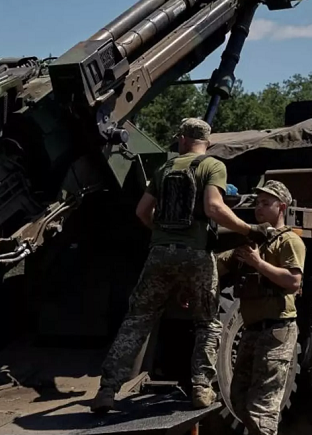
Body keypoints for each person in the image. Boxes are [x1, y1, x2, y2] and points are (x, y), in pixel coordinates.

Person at [90, 118, 271, 413]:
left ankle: (107, 390)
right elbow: (214, 207)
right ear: (207, 142)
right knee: (207, 322)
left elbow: (142, 212)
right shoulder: (213, 166)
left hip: (160, 254)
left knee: (138, 319)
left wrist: (162, 234)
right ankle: (201, 388)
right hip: (197, 254)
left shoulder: (164, 168)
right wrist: (248, 230)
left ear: (183, 139)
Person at [217, 180, 306, 435]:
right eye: (257, 203)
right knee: (239, 398)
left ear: (282, 207)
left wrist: (258, 264)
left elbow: (293, 281)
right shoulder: (253, 242)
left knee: (262, 411)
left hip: (277, 330)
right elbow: (219, 265)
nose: (259, 208)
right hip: (252, 330)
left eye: (266, 203)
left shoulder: (289, 241)